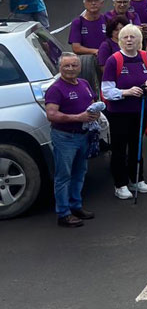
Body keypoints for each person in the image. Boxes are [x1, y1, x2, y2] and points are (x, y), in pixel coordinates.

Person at [101, 24, 147, 199]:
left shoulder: (145, 57)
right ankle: (120, 184)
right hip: (119, 113)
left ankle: (137, 178)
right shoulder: (114, 60)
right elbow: (107, 90)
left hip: (140, 110)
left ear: (139, 40)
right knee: (120, 148)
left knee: (137, 145)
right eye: (125, 37)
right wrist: (126, 92)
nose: (129, 40)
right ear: (120, 40)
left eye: (132, 37)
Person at [45, 52, 101, 227]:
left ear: (80, 67)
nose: (70, 69)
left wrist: (95, 113)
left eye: (74, 65)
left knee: (79, 172)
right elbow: (51, 115)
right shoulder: (55, 89)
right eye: (66, 66)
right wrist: (79, 117)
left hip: (84, 136)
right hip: (65, 138)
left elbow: (92, 102)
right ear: (59, 67)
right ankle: (63, 213)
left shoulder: (84, 83)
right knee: (63, 176)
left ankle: (76, 206)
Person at [68, 0, 107, 77]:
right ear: (84, 4)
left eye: (96, 0)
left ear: (102, 3)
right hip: (86, 64)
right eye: (89, 1)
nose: (93, 3)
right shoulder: (78, 22)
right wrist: (95, 51)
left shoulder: (107, 19)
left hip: (105, 61)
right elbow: (76, 48)